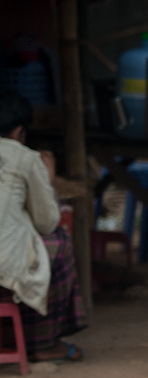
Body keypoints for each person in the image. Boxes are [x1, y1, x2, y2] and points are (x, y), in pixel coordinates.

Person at [0, 92, 87, 362]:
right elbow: (47, 221)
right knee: (58, 242)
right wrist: (47, 179)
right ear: (18, 130)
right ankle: (42, 343)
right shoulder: (23, 157)